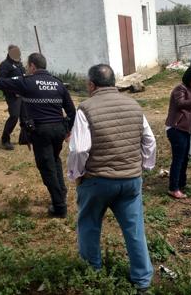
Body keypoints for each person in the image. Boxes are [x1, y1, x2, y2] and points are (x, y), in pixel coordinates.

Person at [67, 64, 156, 292]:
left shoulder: (86, 108)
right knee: (134, 229)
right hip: (130, 181)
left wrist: (77, 174)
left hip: (97, 181)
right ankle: (142, 280)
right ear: (113, 83)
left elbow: (79, 150)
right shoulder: (134, 104)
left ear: (91, 84)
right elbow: (149, 140)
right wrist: (144, 165)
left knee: (89, 225)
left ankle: (93, 273)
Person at [0, 53, 76, 217]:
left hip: (41, 131)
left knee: (46, 167)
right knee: (54, 159)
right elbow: (71, 110)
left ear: (33, 66)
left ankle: (59, 206)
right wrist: (69, 130)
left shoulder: (27, 82)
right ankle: (61, 192)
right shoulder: (58, 83)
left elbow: (0, 83)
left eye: (28, 66)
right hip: (59, 130)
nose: (27, 69)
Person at [164, 66, 191, 199]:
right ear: (189, 77)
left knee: (184, 158)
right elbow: (181, 103)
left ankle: (181, 184)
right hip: (176, 128)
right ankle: (173, 188)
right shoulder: (180, 89)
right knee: (178, 159)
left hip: (185, 128)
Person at [0, 45, 26, 150]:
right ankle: (5, 140)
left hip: (23, 95)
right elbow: (1, 82)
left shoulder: (19, 64)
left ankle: (25, 138)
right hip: (12, 96)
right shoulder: (5, 65)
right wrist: (14, 92)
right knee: (14, 116)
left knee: (25, 117)